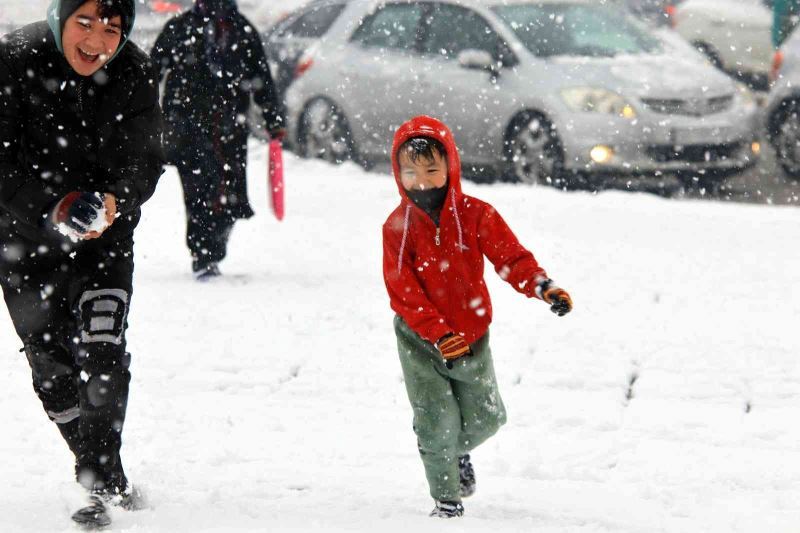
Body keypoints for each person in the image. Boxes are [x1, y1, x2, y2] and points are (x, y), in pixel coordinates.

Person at [0, 0, 164, 527]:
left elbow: (145, 158)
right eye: (85, 23)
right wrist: (52, 206)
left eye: (112, 28)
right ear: (60, 18)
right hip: (24, 243)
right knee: (53, 374)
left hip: (103, 244)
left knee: (102, 348)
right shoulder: (15, 59)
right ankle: (104, 468)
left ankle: (96, 483)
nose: (97, 41)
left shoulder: (135, 71)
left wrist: (117, 199)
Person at [382, 116, 573, 518]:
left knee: (487, 417)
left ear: (450, 166)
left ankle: (454, 451)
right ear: (398, 174)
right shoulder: (398, 227)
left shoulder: (476, 215)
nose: (421, 181)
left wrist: (542, 286)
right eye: (410, 172)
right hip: (421, 341)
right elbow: (403, 291)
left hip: (472, 336)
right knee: (436, 420)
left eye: (431, 170)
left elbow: (510, 257)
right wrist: (436, 333)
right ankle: (447, 499)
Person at [151, 0, 285, 280]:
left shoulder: (241, 30)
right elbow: (151, 72)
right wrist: (143, 114)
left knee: (230, 194)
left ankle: (215, 245)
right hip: (187, 127)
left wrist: (273, 118)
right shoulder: (180, 27)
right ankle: (203, 254)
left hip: (229, 129)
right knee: (198, 191)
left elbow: (261, 77)